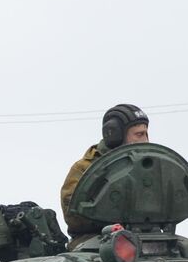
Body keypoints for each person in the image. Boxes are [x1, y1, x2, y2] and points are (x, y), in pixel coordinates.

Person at [60, 103, 150, 241]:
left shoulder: (149, 168)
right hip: (95, 240)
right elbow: (73, 216)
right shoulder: (85, 168)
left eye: (146, 134)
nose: (145, 140)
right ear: (115, 135)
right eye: (139, 134)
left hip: (147, 238)